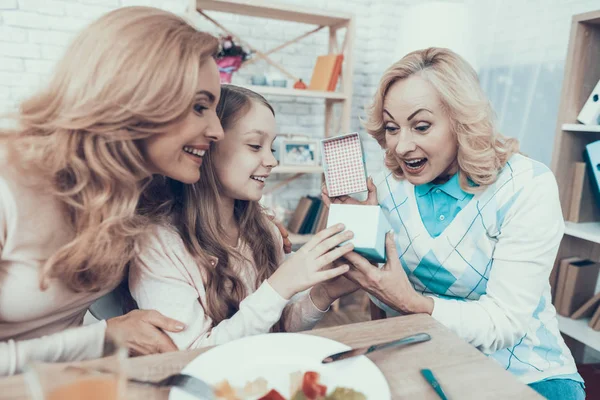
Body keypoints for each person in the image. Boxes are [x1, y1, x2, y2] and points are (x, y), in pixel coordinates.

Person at [322, 48, 585, 400]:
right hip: (424, 356)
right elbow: (386, 300)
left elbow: (504, 323)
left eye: (421, 126)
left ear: (462, 120)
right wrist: (366, 233)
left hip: (526, 370)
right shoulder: (387, 187)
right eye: (391, 128)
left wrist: (414, 303)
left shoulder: (527, 185)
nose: (401, 146)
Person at [0, 6, 226, 376]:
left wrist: (254, 223)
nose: (216, 130)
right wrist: (103, 337)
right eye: (199, 106)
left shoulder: (135, 186)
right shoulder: (8, 184)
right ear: (136, 97)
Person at [129, 85, 359, 349]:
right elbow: (192, 355)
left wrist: (323, 293)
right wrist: (279, 286)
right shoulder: (159, 244)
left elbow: (275, 330)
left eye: (271, 148)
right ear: (206, 147)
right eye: (254, 146)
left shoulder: (264, 230)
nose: (271, 160)